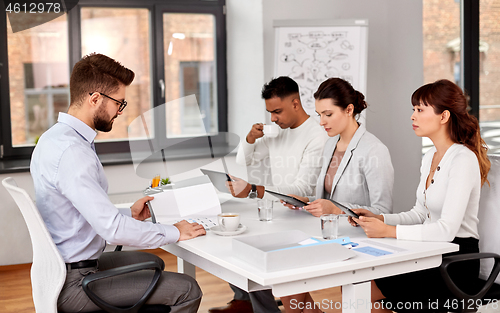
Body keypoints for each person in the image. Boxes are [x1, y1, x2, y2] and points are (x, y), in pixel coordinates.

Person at [30, 53, 206, 313]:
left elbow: (78, 212)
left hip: (62, 268)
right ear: (95, 99)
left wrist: (130, 214)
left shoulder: (54, 138)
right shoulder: (72, 152)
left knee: (153, 262)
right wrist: (176, 231)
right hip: (75, 283)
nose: (120, 112)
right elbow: (112, 230)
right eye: (119, 104)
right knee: (187, 289)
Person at [351, 79, 490, 312]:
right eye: (413, 109)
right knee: (364, 288)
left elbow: (447, 229)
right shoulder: (430, 158)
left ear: (443, 116)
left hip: (455, 263)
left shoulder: (463, 159)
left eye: (420, 109)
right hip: (429, 253)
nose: (412, 116)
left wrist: (389, 232)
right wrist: (380, 219)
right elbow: (419, 213)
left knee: (369, 291)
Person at [209, 76, 328, 313]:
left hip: (304, 218)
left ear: (296, 103)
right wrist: (251, 138)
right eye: (270, 112)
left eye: (277, 111)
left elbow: (302, 190)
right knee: (238, 252)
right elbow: (245, 160)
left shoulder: (317, 135)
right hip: (279, 213)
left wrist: (254, 191)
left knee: (293, 295)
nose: (272, 118)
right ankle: (255, 307)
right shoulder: (278, 131)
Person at [280, 77, 394, 313]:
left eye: (328, 114)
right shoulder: (330, 145)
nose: (321, 122)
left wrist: (336, 209)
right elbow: (328, 197)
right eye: (319, 114)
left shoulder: (374, 150)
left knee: (359, 303)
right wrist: (307, 203)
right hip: (329, 235)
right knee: (288, 289)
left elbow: (384, 212)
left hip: (359, 240)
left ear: (349, 110)